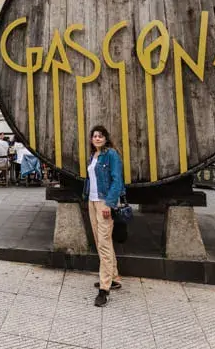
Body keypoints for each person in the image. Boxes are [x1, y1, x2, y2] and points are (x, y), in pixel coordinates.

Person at [86, 125, 125, 307]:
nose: (97, 138)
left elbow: (117, 181)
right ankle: (114, 277)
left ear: (106, 138)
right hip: (92, 202)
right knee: (102, 241)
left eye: (100, 136)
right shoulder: (93, 156)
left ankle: (104, 289)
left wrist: (109, 203)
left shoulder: (111, 155)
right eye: (94, 136)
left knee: (103, 243)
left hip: (103, 202)